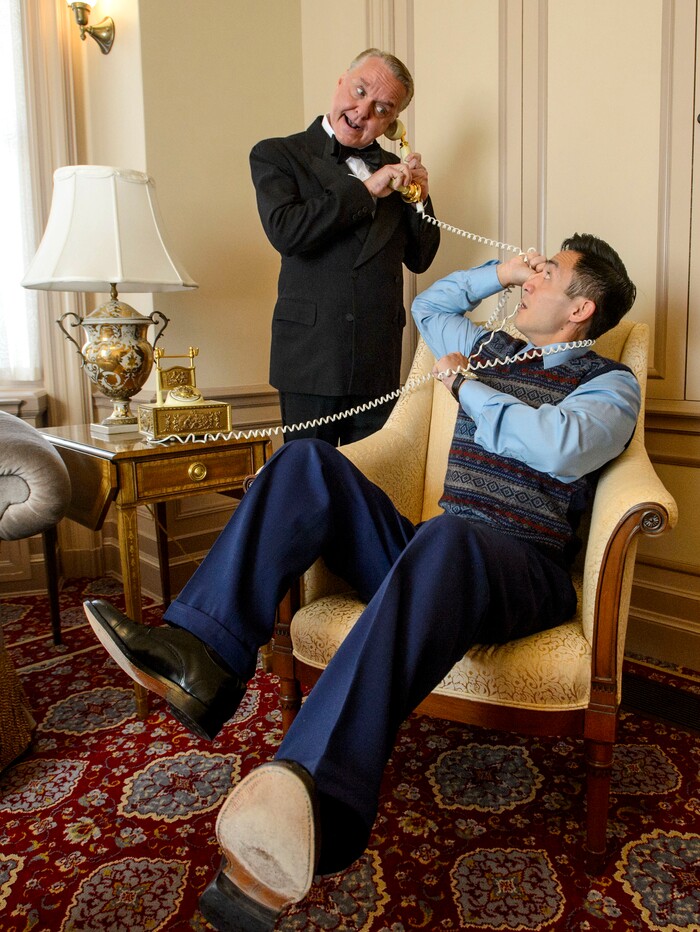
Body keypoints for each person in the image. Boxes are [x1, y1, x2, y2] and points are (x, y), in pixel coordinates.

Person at [84, 233, 639, 932]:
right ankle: (202, 655)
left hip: (521, 568)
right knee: (306, 462)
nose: (531, 279)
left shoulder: (608, 384)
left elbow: (559, 446)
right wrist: (499, 270)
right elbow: (432, 305)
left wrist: (469, 387)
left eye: (548, 273)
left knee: (448, 536)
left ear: (581, 307)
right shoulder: (491, 344)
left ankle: (320, 798)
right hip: (437, 551)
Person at [250, 48, 440, 446]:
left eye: (383, 108)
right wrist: (367, 189)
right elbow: (287, 232)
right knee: (310, 485)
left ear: (392, 123)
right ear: (341, 81)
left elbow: (420, 259)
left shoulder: (394, 168)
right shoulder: (278, 154)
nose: (363, 111)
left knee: (368, 488)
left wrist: (420, 198)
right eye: (359, 91)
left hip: (377, 361)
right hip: (310, 360)